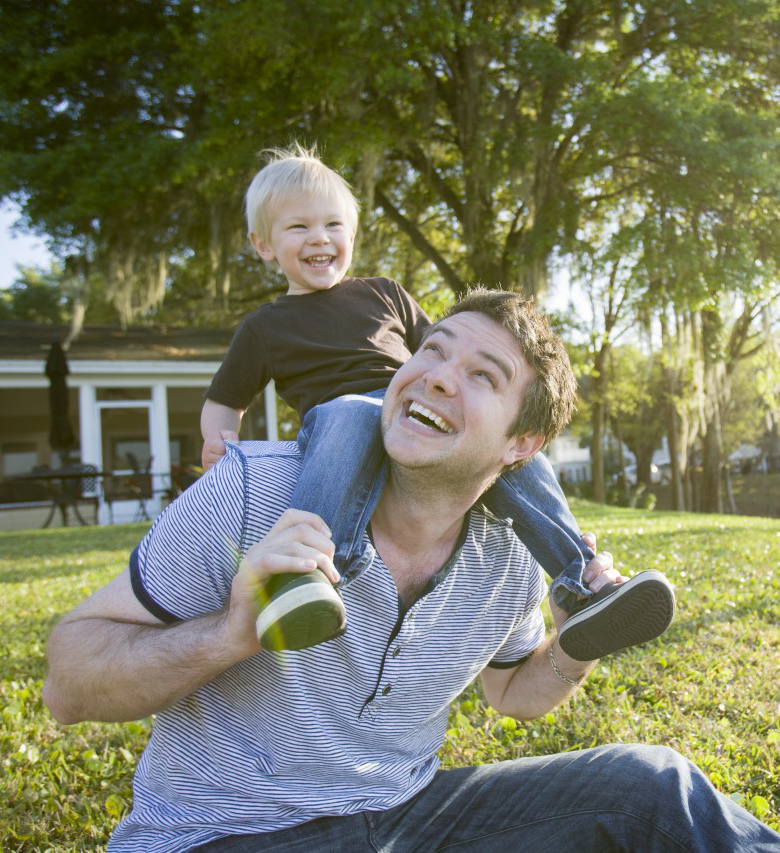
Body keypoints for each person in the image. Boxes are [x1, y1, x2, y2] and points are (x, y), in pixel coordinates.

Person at [42, 290, 780, 852]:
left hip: (408, 822)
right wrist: (232, 632)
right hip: (224, 834)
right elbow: (68, 683)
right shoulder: (258, 493)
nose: (435, 375)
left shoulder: (512, 552)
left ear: (521, 445)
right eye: (431, 349)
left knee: (653, 787)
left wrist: (573, 646)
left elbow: (512, 692)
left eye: (481, 374)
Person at [200, 144, 671, 659]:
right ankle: (303, 577)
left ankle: (584, 583)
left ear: (351, 237)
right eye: (298, 228)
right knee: (353, 414)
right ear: (263, 245)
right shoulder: (264, 327)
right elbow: (226, 397)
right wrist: (217, 439)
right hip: (339, 415)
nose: (320, 238)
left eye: (333, 225)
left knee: (514, 455)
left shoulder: (383, 293)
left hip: (414, 404)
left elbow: (445, 352)